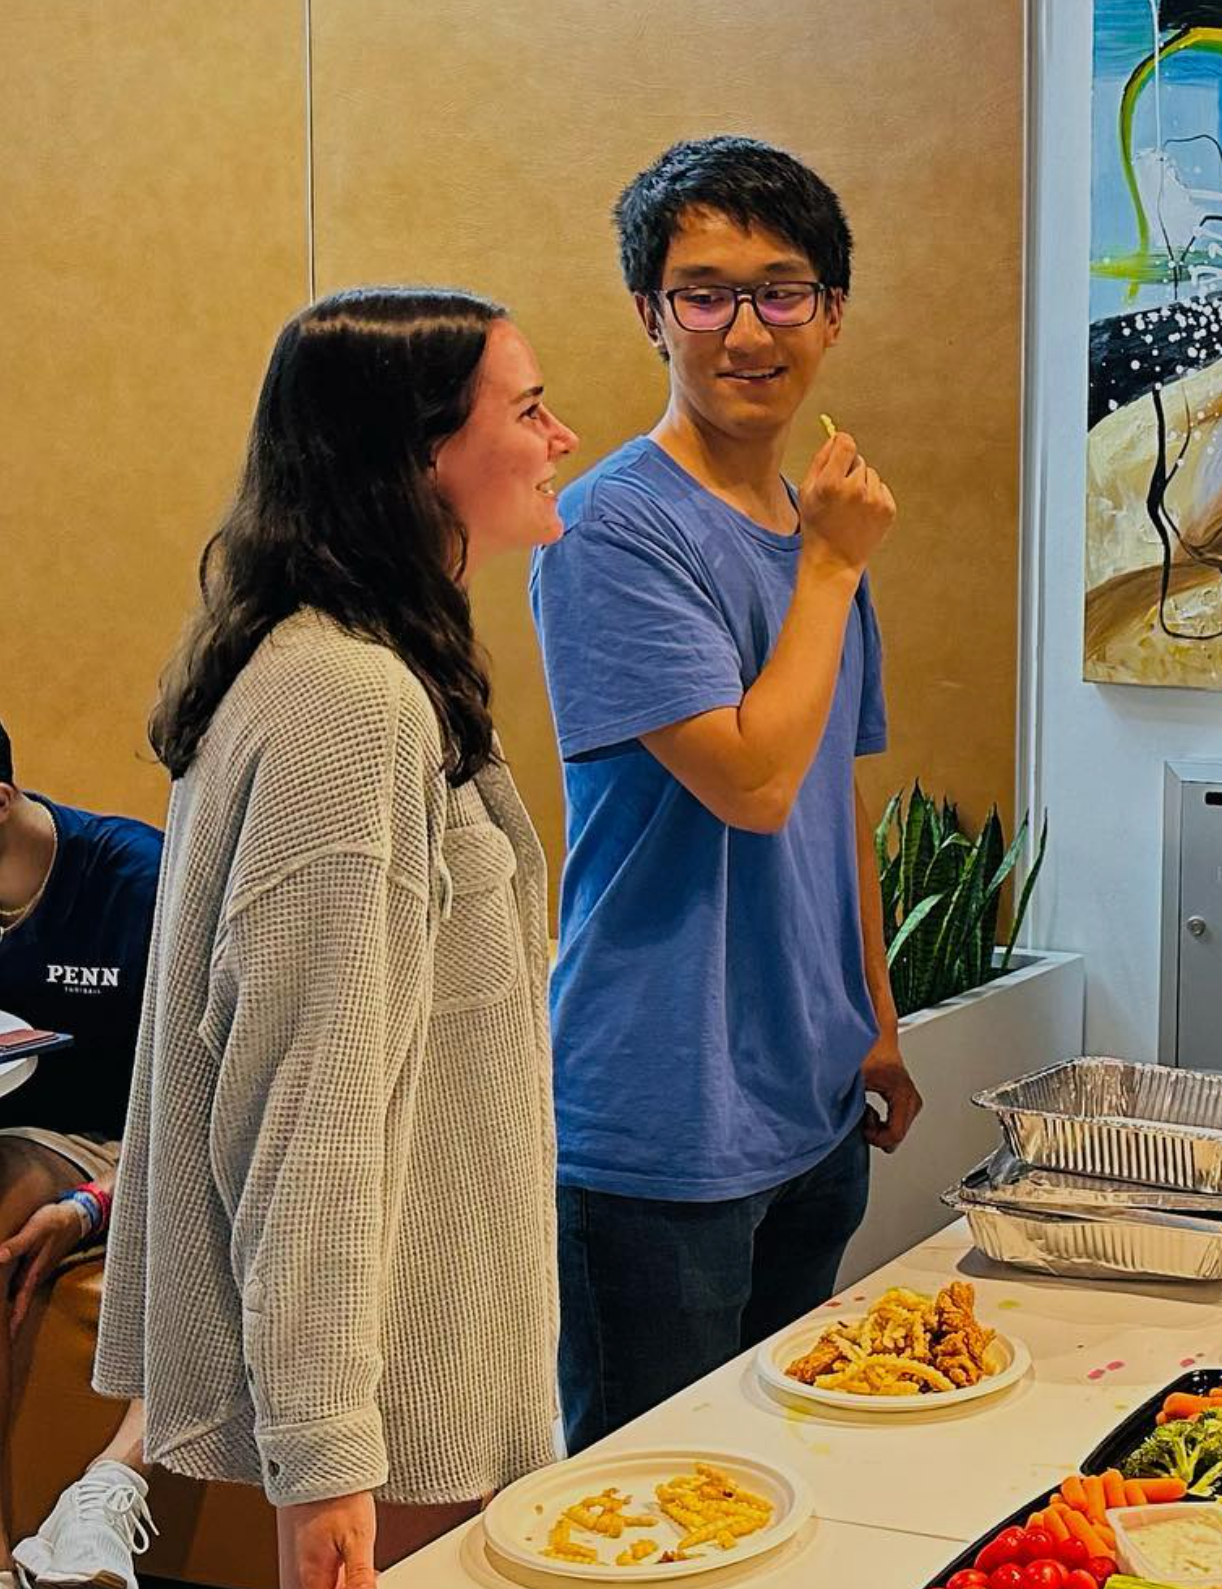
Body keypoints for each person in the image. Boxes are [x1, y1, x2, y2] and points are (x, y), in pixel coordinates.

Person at [92, 286, 578, 1586]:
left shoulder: (344, 663)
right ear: (419, 451)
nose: (561, 437)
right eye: (528, 410)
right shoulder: (345, 698)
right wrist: (326, 1460)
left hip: (427, 1380)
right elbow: (307, 1097)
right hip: (394, 1413)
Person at [530, 135, 919, 1453]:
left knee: (783, 1479)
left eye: (783, 289)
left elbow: (833, 799)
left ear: (833, 311)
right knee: (658, 1501)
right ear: (651, 315)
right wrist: (828, 570)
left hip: (809, 1102)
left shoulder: (815, 525)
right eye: (705, 294)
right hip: (659, 1111)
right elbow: (750, 782)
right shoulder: (613, 527)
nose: (747, 329)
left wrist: (873, 1016)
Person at [0, 718, 162, 1583]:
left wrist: (94, 1203)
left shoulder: (135, 881)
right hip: (33, 1131)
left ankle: (106, 1489)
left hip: (151, 1135)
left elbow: (214, 1103)